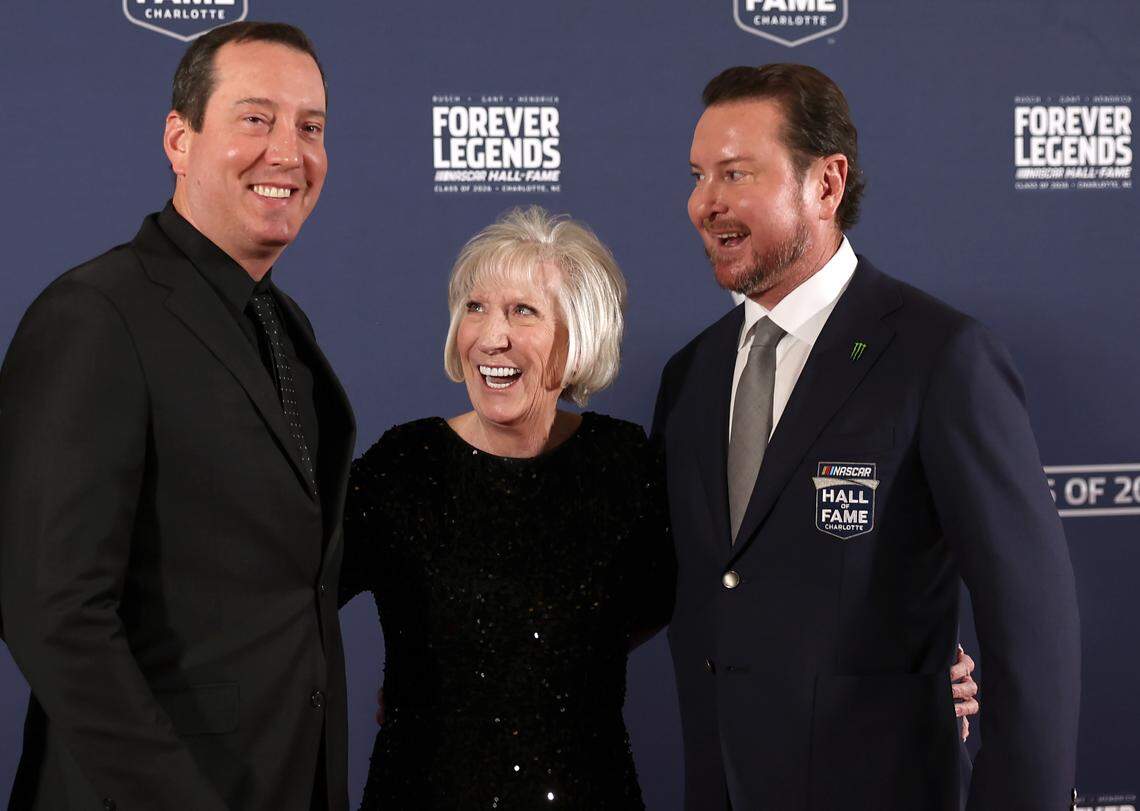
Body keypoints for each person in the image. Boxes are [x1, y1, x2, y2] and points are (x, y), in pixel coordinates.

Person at [651, 63, 1080, 810]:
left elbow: (1033, 633)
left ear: (825, 183)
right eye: (696, 175)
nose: (702, 202)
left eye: (735, 172)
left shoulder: (940, 356)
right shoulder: (691, 374)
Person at [0, 22, 354, 811]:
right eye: (255, 119)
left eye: (311, 127)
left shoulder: (284, 325)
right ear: (180, 139)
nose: (289, 154)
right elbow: (52, 612)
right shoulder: (94, 315)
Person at [338, 206, 676, 810]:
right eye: (476, 308)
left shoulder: (623, 464)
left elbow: (661, 601)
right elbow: (291, 594)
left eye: (523, 311)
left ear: (578, 331)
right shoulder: (406, 465)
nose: (492, 336)